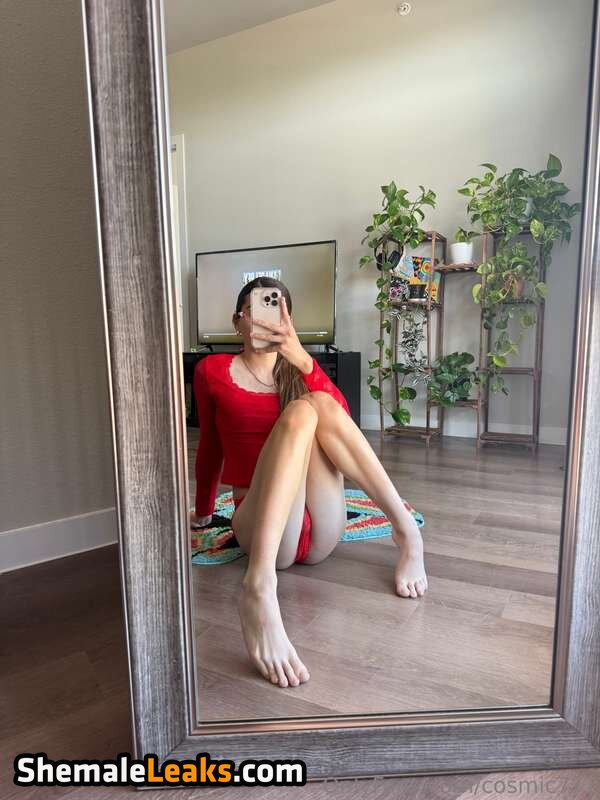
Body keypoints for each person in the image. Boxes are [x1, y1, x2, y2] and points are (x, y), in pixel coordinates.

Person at [190, 278, 427, 689]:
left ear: (289, 321)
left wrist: (302, 359)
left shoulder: (301, 368)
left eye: (276, 312)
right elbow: (210, 442)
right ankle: (260, 585)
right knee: (301, 413)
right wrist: (204, 509)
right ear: (238, 321)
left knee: (315, 405)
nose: (265, 321)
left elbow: (343, 423)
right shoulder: (211, 370)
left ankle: (406, 532)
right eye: (255, 311)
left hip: (320, 527)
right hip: (263, 529)